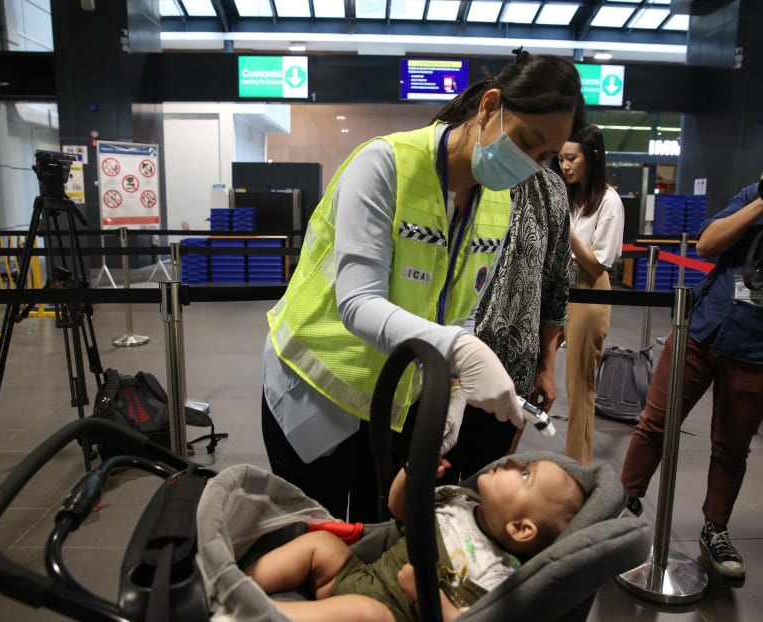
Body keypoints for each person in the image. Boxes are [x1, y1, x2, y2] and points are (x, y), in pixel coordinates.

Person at [262, 51, 585, 522]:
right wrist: (462, 350)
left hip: (390, 403)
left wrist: (454, 391)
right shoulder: (385, 164)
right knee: (315, 545)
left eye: (544, 157)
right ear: (491, 105)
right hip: (315, 391)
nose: (530, 166)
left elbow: (462, 306)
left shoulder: (496, 203)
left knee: (374, 544)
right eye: (527, 142)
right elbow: (357, 302)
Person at [620, 176, 763, 580]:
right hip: (702, 329)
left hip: (754, 348)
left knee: (732, 448)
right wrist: (760, 204)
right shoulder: (752, 196)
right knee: (655, 423)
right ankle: (625, 503)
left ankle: (714, 528)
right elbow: (707, 244)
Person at [244, 457, 586, 622]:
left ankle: (255, 614)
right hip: (357, 575)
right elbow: (398, 508)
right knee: (322, 546)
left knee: (365, 612)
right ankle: (239, 583)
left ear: (521, 529)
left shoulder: (496, 574)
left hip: (391, 613)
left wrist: (426, 595)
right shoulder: (458, 498)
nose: (513, 461)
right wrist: (412, 472)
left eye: (525, 474)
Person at [441, 166, 572, 481]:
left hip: (511, 367)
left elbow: (555, 284)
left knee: (486, 480)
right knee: (433, 477)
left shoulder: (549, 188)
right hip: (443, 360)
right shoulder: (461, 173)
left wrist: (546, 367)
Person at [552, 124, 624, 464]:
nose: (564, 166)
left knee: (580, 387)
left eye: (571, 158)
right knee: (530, 373)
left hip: (589, 292)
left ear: (592, 157)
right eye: (561, 159)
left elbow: (597, 266)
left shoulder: (609, 202)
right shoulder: (567, 197)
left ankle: (576, 470)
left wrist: (563, 231)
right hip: (556, 288)